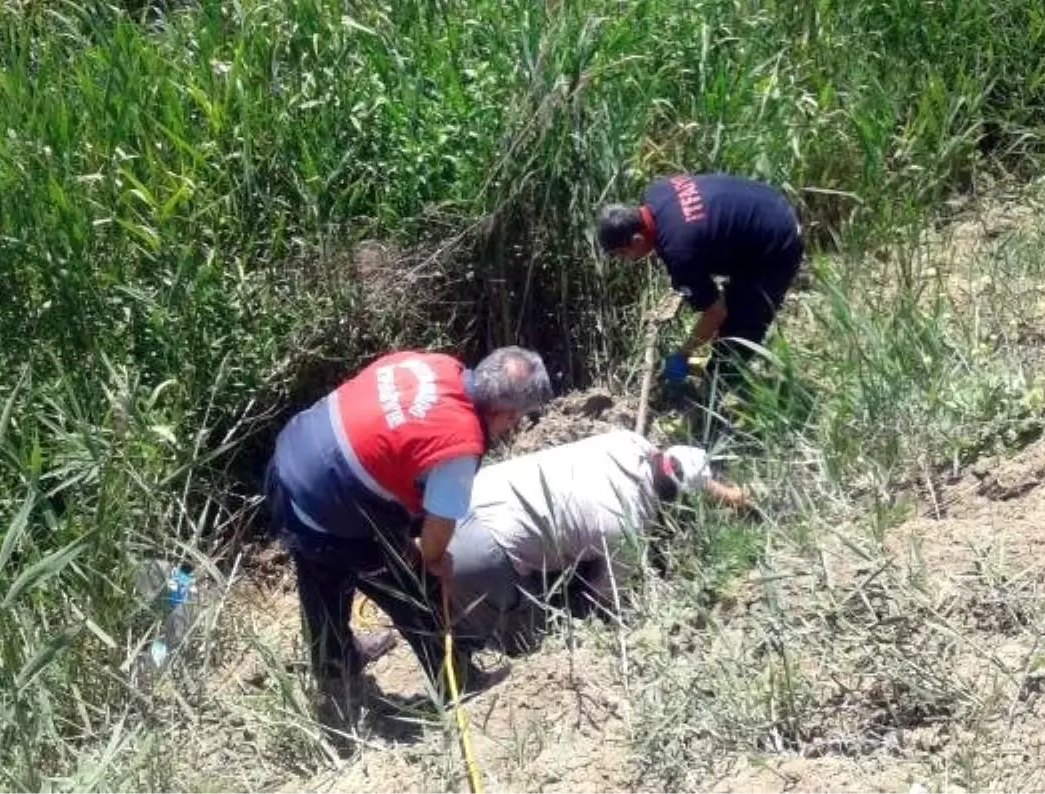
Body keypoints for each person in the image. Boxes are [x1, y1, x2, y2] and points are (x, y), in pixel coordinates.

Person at [263, 345, 552, 701]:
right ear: (506, 415)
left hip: (288, 467)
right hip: (326, 501)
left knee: (322, 573)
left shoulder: (438, 365)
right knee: (417, 588)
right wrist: (431, 561)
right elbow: (436, 534)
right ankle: (457, 681)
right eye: (516, 419)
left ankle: (335, 663)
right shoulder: (458, 445)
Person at [443, 429, 751, 655]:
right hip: (484, 549)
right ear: (673, 499)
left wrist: (730, 496)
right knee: (522, 641)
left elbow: (682, 469)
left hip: (457, 499)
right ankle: (464, 645)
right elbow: (602, 597)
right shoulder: (630, 527)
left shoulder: (625, 440)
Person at [596, 172, 804, 390]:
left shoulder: (679, 251)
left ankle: (717, 400)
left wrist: (684, 353)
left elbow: (716, 312)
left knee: (739, 333)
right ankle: (710, 369)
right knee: (731, 313)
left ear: (637, 240)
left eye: (622, 254)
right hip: (770, 204)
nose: (626, 261)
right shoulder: (657, 191)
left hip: (778, 242)